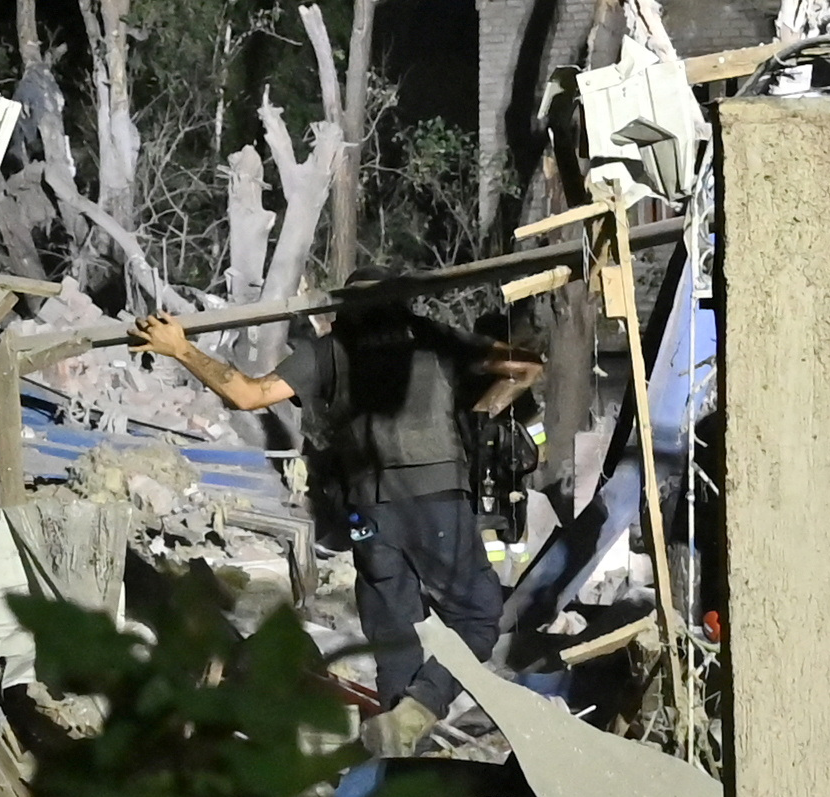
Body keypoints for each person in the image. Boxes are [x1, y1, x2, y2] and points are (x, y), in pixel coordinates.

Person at [143, 284, 544, 714]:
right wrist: (482, 410)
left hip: (369, 511)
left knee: (393, 636)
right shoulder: (433, 337)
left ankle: (396, 735)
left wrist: (180, 348)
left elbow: (247, 394)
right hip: (437, 499)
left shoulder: (327, 352)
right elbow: (525, 365)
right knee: (478, 616)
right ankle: (422, 705)